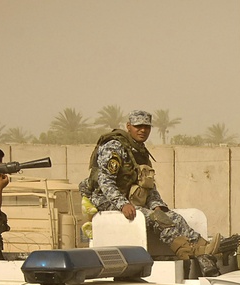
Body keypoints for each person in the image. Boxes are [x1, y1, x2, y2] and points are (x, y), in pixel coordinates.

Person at [79, 110, 218, 274]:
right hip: (104, 199)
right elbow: (105, 181)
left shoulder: (139, 152)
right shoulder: (114, 147)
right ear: (129, 127)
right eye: (138, 126)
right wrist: (122, 204)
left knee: (173, 217)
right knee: (155, 218)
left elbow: (148, 186)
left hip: (127, 200)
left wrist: (158, 205)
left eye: (146, 127)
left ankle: (203, 246)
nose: (142, 130)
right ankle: (188, 251)